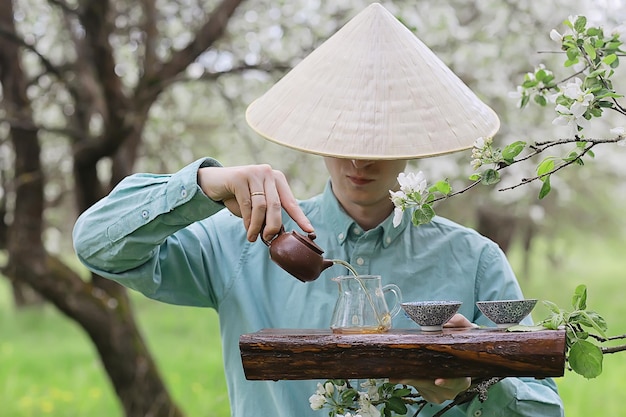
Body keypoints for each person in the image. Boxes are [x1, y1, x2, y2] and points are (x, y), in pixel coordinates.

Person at [72, 4, 564, 417]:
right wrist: (203, 183)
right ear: (319, 133)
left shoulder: (474, 260)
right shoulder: (244, 240)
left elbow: (541, 407)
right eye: (344, 135)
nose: (360, 158)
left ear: (415, 140)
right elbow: (98, 246)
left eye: (381, 139)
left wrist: (478, 388)